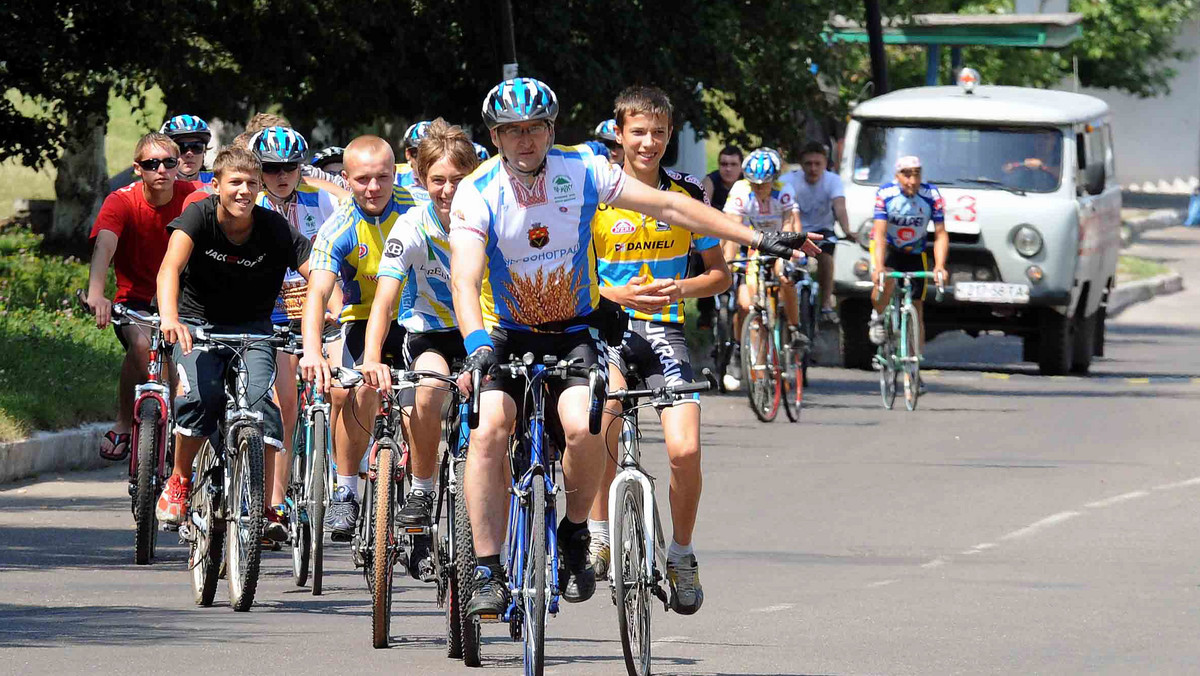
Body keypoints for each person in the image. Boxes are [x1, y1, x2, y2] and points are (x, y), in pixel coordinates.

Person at [449, 78, 817, 618]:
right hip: (503, 331)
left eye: (534, 129)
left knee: (585, 426)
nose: (525, 140)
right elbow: (464, 278)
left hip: (574, 328)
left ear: (551, 129)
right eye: (512, 132)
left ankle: (577, 534)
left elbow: (674, 208)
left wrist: (758, 238)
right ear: (496, 136)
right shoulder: (477, 190)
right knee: (488, 430)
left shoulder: (583, 170)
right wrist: (477, 341)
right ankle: (486, 569)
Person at [587, 86, 730, 614]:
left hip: (666, 334)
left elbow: (719, 275)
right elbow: (567, 274)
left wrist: (680, 289)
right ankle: (598, 534)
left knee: (685, 451)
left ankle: (682, 554)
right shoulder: (595, 193)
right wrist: (612, 293)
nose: (649, 143)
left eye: (659, 133)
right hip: (608, 332)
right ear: (619, 134)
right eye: (638, 132)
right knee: (605, 418)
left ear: (671, 135)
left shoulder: (688, 192)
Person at [154, 145, 314, 526]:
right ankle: (179, 478)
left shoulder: (273, 227)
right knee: (200, 397)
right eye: (235, 183)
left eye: (252, 184)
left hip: (254, 331)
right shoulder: (198, 216)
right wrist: (171, 318)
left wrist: (332, 306)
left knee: (264, 409)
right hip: (198, 326)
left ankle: (261, 503)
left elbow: (316, 271)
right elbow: (169, 270)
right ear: (217, 186)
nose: (244, 191)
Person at [358, 119, 478, 579]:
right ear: (423, 181)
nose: (448, 191)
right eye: (438, 181)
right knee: (428, 388)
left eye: (458, 180)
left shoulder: (488, 220)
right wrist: (371, 358)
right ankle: (424, 489)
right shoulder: (411, 225)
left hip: (481, 331)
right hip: (430, 332)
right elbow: (385, 300)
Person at [299, 136, 418, 542]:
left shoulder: (415, 211)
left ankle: (423, 495)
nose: (373, 188)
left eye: (383, 177)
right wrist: (312, 351)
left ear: (395, 174)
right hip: (360, 317)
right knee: (355, 392)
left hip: (413, 319)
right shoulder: (339, 225)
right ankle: (346, 490)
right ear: (346, 179)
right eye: (363, 179)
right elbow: (316, 293)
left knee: (419, 402)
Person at [250, 126, 342, 544]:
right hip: (269, 309)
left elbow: (344, 235)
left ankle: (347, 485)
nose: (281, 175)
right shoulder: (249, 202)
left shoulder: (320, 198)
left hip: (315, 302)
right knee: (284, 400)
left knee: (343, 385)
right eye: (271, 169)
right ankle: (275, 499)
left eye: (289, 166)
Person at [87, 132, 198, 461]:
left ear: (179, 166)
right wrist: (96, 294)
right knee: (140, 346)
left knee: (189, 366)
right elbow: (104, 246)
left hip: (182, 301)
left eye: (169, 162)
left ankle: (185, 433)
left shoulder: (193, 196)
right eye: (151, 164)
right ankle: (123, 422)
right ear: (138, 168)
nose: (161, 170)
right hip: (135, 300)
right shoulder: (121, 200)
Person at [721, 147, 803, 391]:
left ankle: (795, 329)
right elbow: (732, 230)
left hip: (780, 243)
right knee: (746, 304)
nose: (758, 188)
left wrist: (789, 256)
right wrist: (729, 262)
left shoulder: (784, 191)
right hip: (753, 247)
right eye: (754, 183)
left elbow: (792, 223)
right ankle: (739, 349)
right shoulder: (740, 191)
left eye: (763, 184)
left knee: (784, 276)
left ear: (773, 180)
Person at [868, 156, 949, 363]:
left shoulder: (932, 195)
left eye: (916, 174)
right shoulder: (886, 194)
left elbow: (940, 234)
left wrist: (940, 266)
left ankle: (913, 365)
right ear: (897, 176)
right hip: (888, 247)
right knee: (885, 279)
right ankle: (877, 317)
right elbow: (879, 234)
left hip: (916, 251)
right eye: (906, 175)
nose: (912, 181)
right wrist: (878, 267)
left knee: (917, 307)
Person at [783, 141, 852, 323]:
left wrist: (847, 230)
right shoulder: (788, 181)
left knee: (826, 258)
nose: (813, 169)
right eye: (808, 164)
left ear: (825, 164)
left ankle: (827, 303)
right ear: (801, 164)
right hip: (795, 229)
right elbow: (785, 209)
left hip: (822, 230)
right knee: (786, 264)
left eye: (817, 164)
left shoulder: (833, 180)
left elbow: (840, 207)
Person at [160, 115, 214, 184]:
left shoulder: (219, 182)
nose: (189, 154)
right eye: (181, 148)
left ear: (204, 151)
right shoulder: (157, 186)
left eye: (196, 147)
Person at [396, 120, 432, 201]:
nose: (424, 160)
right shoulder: (394, 178)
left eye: (434, 154)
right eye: (417, 153)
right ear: (407, 154)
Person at [701, 145, 743, 212]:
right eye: (724, 164)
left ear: (742, 167)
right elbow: (701, 210)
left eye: (733, 164)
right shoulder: (710, 181)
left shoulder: (748, 183)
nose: (728, 169)